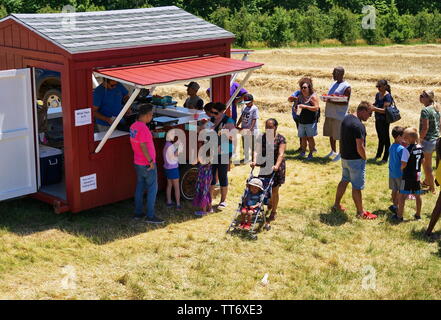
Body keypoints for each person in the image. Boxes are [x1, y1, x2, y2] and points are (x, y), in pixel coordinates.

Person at [333, 102, 377, 220]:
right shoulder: (358, 126)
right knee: (356, 187)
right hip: (355, 160)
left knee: (344, 180)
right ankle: (360, 212)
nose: (370, 116)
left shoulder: (347, 118)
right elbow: (360, 146)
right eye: (369, 113)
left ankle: (336, 204)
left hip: (345, 157)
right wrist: (364, 157)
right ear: (362, 111)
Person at [129, 104, 164, 224]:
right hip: (146, 163)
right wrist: (150, 161)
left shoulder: (133, 126)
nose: (152, 117)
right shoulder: (143, 128)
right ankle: (150, 216)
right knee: (152, 189)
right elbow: (143, 145)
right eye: (152, 115)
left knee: (140, 186)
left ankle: (138, 213)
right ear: (147, 115)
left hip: (137, 162)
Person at [251, 118, 286, 225]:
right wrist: (254, 161)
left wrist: (276, 165)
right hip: (264, 166)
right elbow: (256, 151)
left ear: (275, 127)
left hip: (276, 167)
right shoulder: (261, 137)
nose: (268, 129)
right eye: (266, 127)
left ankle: (274, 211)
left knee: (274, 190)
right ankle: (262, 206)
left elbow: (281, 154)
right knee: (262, 188)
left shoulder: (280, 139)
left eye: (270, 127)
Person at [394, 127, 425, 222]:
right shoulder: (420, 148)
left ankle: (399, 216)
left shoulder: (406, 150)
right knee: (417, 195)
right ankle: (418, 214)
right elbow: (422, 161)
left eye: (405, 137)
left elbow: (404, 164)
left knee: (402, 196)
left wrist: (401, 168)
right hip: (417, 175)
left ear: (410, 138)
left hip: (407, 176)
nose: (404, 139)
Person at [209, 102, 236, 210]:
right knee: (211, 175)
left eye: (215, 112)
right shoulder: (212, 120)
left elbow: (233, 138)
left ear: (221, 112)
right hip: (214, 150)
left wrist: (225, 133)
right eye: (211, 112)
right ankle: (209, 199)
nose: (212, 114)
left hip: (224, 151)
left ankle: (223, 201)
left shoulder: (228, 121)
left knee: (222, 174)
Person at [323, 67, 352, 162]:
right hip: (330, 113)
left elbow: (345, 101)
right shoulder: (334, 84)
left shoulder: (346, 86)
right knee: (331, 133)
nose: (332, 74)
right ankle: (333, 151)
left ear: (340, 74)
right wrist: (327, 98)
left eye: (334, 73)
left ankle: (341, 153)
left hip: (339, 115)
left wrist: (331, 100)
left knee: (339, 135)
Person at [419, 90, 440, 194]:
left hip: (427, 141)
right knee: (427, 163)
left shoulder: (425, 110)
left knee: (427, 166)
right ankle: (427, 181)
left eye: (423, 96)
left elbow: (425, 128)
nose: (420, 97)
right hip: (436, 140)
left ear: (428, 98)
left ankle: (432, 188)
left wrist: (419, 140)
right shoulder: (436, 108)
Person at [297, 77, 320, 160]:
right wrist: (296, 108)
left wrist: (305, 107)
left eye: (305, 87)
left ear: (309, 87)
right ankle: (303, 152)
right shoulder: (300, 96)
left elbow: (316, 108)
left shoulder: (313, 97)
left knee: (310, 137)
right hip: (302, 120)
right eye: (302, 87)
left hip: (310, 121)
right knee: (303, 137)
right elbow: (296, 104)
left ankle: (311, 153)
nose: (303, 89)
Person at [371, 80, 393, 163]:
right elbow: (376, 103)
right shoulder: (378, 95)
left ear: (385, 86)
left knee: (386, 139)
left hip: (384, 120)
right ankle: (378, 155)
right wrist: (371, 105)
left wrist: (374, 108)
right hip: (378, 119)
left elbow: (384, 110)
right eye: (377, 86)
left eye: (380, 86)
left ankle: (385, 158)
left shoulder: (387, 96)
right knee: (380, 138)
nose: (378, 88)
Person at [237, 93, 259, 163]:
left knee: (252, 145)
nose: (246, 104)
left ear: (252, 101)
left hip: (252, 130)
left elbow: (254, 119)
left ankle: (253, 159)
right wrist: (238, 123)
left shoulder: (254, 108)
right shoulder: (244, 107)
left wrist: (251, 128)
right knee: (245, 144)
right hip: (244, 128)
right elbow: (242, 116)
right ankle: (246, 158)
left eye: (248, 103)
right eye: (245, 103)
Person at [426, 140, 441, 239]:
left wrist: (437, 176)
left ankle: (428, 231)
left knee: (439, 205)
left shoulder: (439, 141)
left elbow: (438, 159)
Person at [388, 126, 405, 215]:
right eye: (403, 136)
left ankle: (394, 205)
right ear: (398, 137)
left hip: (392, 173)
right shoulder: (401, 149)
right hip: (400, 173)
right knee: (400, 191)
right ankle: (396, 206)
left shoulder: (391, 146)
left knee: (394, 190)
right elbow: (404, 162)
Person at [163, 132, 182, 210]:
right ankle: (178, 204)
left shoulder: (166, 145)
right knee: (176, 187)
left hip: (167, 168)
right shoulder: (170, 146)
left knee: (169, 185)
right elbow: (175, 154)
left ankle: (169, 202)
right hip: (173, 168)